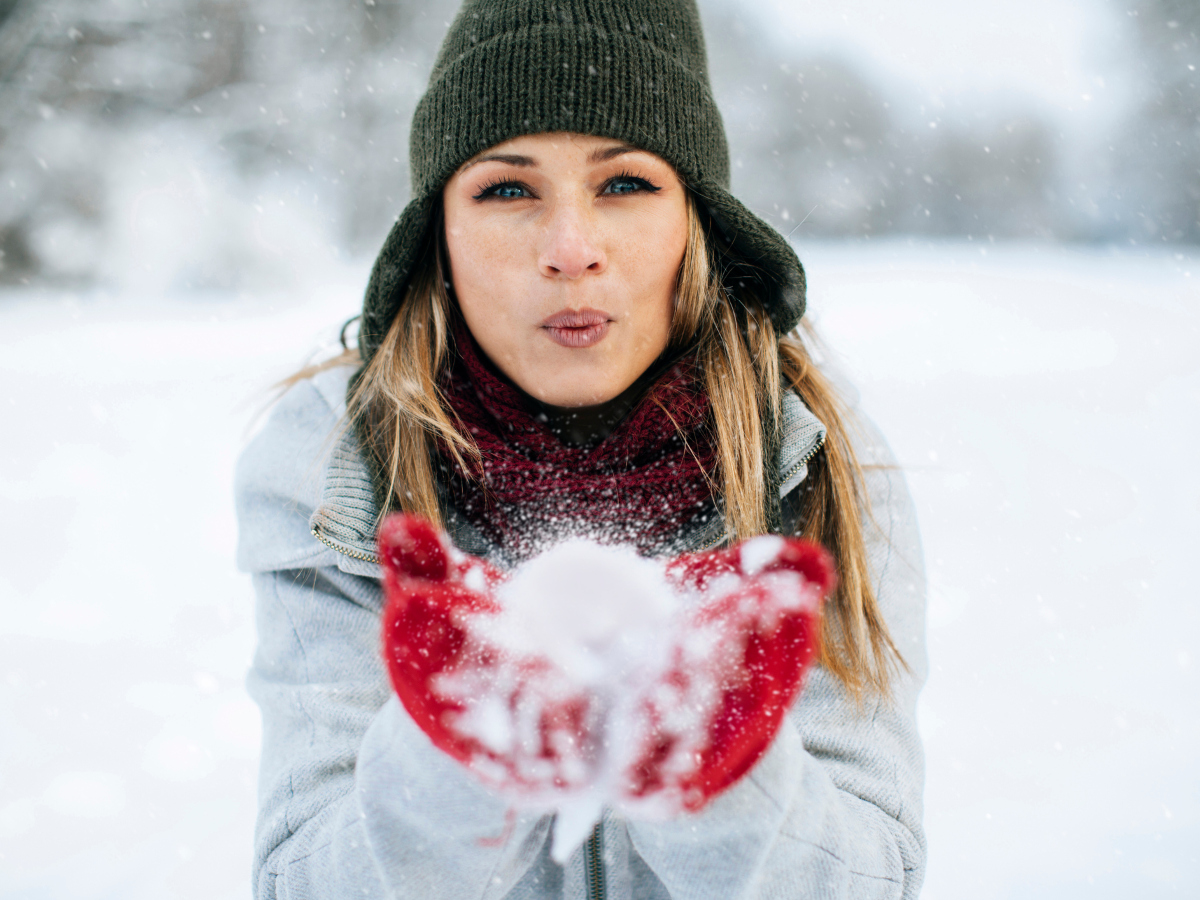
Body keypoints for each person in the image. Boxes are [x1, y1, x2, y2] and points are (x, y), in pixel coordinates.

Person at [235, 0, 928, 897]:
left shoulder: (815, 458)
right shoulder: (333, 472)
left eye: (626, 184)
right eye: (508, 189)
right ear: (436, 234)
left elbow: (879, 878)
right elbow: (299, 880)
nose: (570, 250)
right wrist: (458, 747)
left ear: (697, 223)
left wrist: (720, 775)